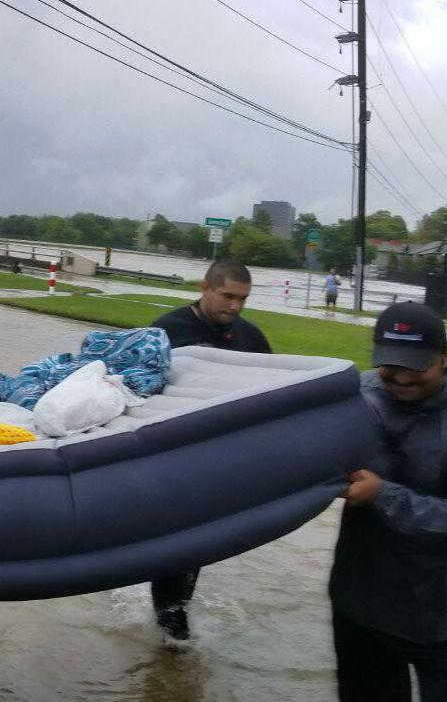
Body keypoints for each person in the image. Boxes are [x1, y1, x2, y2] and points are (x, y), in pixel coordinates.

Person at [330, 302, 447, 702]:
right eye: (391, 365)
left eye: (416, 365)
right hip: (359, 610)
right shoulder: (361, 394)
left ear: (444, 356)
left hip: (444, 622)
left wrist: (383, 495)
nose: (401, 377)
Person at [148, 260, 271, 641]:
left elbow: (272, 396)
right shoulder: (165, 331)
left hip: (220, 459)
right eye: (228, 296)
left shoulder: (252, 339)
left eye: (243, 299)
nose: (235, 307)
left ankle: (173, 618)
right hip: (170, 456)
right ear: (205, 288)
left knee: (197, 546)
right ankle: (171, 626)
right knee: (175, 541)